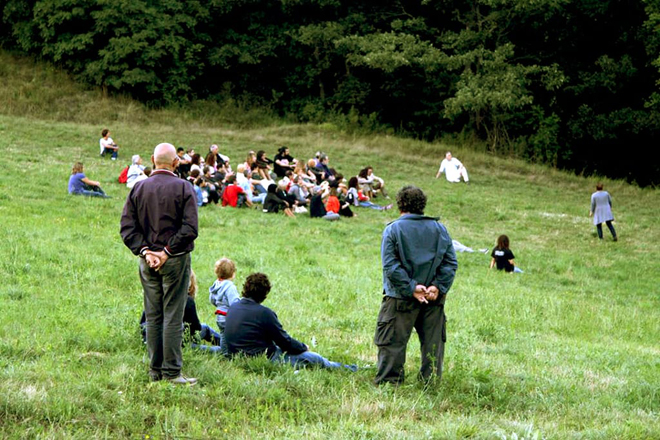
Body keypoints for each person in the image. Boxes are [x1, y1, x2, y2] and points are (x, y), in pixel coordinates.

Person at [120, 142, 199, 386]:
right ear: (176, 163)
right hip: (174, 260)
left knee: (153, 315)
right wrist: (165, 252)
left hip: (148, 261)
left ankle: (155, 370)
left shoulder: (138, 188)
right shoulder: (184, 187)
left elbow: (127, 227)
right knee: (172, 315)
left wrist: (146, 251)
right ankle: (172, 372)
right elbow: (190, 228)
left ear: (153, 160)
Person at [374, 185, 458, 385]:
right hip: (433, 298)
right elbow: (450, 262)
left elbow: (391, 266)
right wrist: (437, 286)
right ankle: (430, 385)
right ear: (423, 205)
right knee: (433, 346)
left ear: (400, 204)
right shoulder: (440, 229)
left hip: (399, 299)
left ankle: (390, 383)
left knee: (392, 343)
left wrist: (411, 288)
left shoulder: (393, 229)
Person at [224, 273, 357, 371]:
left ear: (245, 288)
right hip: (263, 358)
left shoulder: (233, 307)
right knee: (314, 358)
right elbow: (285, 342)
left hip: (236, 355)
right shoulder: (264, 313)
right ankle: (350, 369)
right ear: (265, 293)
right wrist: (303, 346)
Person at [140, 270, 222, 350]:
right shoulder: (186, 301)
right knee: (217, 348)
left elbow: (143, 323)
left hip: (151, 341)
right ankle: (227, 345)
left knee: (204, 328)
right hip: (174, 345)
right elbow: (195, 329)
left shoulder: (155, 296)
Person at [208, 258, 241, 355]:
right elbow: (234, 303)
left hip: (220, 317)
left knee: (223, 335)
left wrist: (218, 305)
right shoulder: (230, 287)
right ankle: (227, 353)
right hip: (229, 317)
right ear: (232, 273)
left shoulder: (216, 284)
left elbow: (212, 299)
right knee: (231, 335)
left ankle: (225, 351)